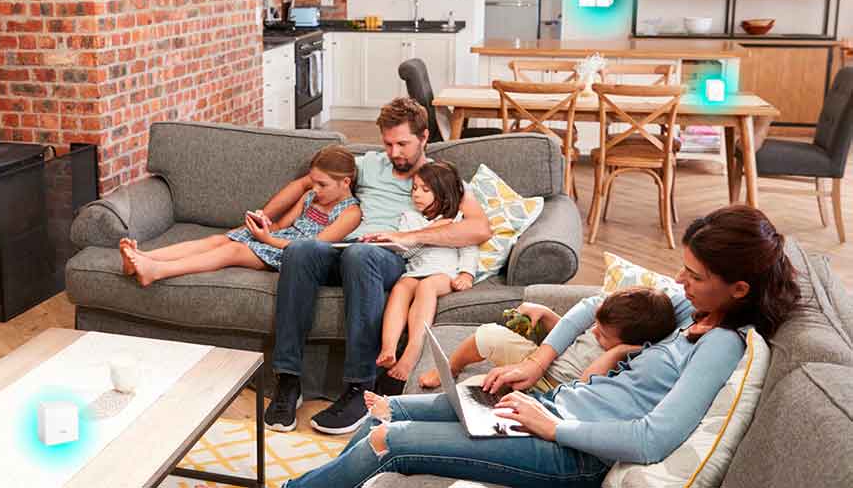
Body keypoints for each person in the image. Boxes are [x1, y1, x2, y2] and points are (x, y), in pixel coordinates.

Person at [283, 205, 800, 487]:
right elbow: (591, 306)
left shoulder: (723, 345)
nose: (680, 282)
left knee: (389, 440)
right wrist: (536, 363)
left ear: (739, 289)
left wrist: (551, 426)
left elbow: (651, 439)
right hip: (550, 408)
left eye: (695, 275)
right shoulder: (692, 310)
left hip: (573, 454)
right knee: (382, 412)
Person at [261, 97, 493, 434]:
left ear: (424, 137)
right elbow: (306, 183)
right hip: (344, 248)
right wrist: (265, 219)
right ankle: (288, 380)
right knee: (300, 251)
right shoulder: (369, 165)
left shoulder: (438, 177)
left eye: (403, 144)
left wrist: (408, 237)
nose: (394, 152)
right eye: (388, 144)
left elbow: (479, 228)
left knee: (362, 255)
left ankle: (360, 388)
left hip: (386, 257)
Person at [120, 145, 361, 286]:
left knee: (232, 251)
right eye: (312, 182)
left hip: (295, 254)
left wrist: (267, 239)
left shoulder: (350, 213)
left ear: (345, 182)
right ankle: (143, 256)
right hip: (277, 239)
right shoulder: (310, 196)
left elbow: (314, 246)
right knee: (219, 239)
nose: (314, 188)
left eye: (322, 184)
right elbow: (282, 225)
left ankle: (157, 271)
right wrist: (262, 226)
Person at [417, 286, 678, 392]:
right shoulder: (607, 326)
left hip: (553, 389)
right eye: (596, 325)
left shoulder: (622, 358)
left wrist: (615, 353)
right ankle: (452, 367)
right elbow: (567, 336)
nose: (594, 332)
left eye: (603, 335)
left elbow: (585, 387)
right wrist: (546, 314)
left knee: (477, 389)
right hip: (538, 361)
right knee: (488, 334)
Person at [375, 161, 480, 389]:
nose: (416, 194)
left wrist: (466, 275)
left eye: (425, 190)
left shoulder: (458, 219)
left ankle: (413, 349)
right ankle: (389, 348)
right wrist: (427, 232)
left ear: (443, 193)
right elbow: (406, 252)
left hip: (444, 273)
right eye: (414, 188)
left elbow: (469, 248)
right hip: (415, 271)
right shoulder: (409, 217)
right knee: (401, 287)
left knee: (427, 287)